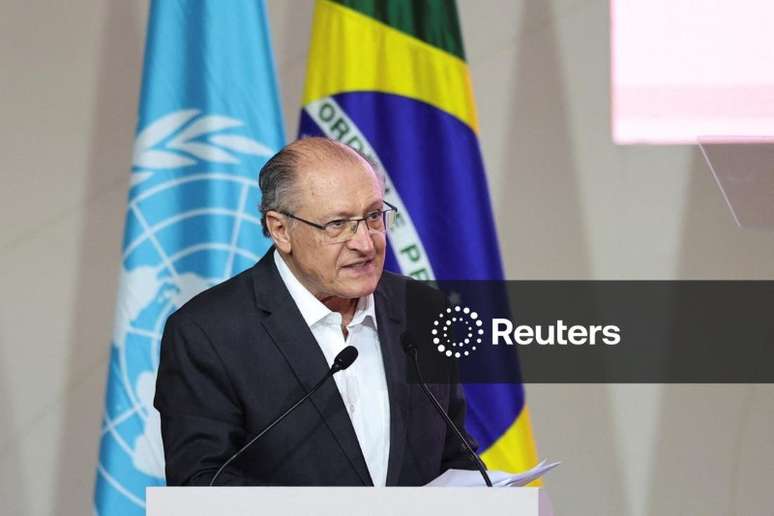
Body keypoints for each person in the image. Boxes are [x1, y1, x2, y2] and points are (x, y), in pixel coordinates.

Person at [154, 137, 475, 486]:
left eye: (373, 216)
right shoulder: (207, 333)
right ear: (280, 229)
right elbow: (201, 483)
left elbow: (456, 459)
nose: (365, 243)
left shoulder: (423, 309)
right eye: (337, 224)